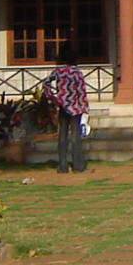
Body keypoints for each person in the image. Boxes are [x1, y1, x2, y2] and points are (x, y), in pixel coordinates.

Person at [42, 43, 89, 173]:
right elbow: (81, 91)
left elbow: (46, 83)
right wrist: (85, 106)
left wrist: (53, 97)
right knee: (75, 137)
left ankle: (62, 165)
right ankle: (78, 165)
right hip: (75, 107)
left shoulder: (58, 72)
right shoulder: (77, 73)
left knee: (62, 136)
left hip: (63, 106)